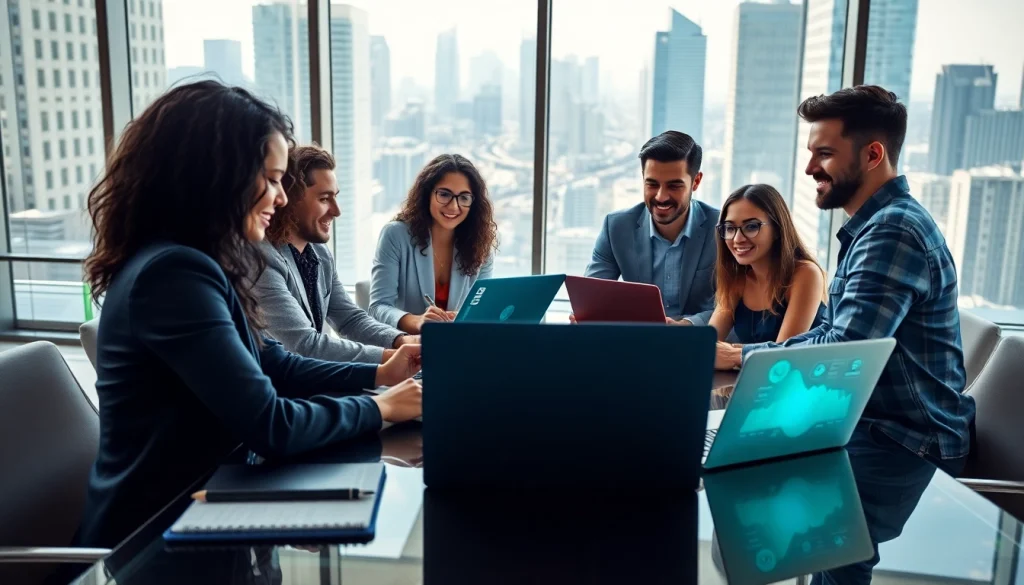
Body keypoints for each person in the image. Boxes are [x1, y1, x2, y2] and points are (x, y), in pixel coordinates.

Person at [76, 81, 423, 549]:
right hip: (154, 537)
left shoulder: (205, 262)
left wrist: (381, 371)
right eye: (275, 179)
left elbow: (276, 361)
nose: (281, 198)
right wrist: (379, 405)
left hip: (216, 499)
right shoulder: (173, 274)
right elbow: (270, 424)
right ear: (220, 175)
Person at [730, 86, 976, 584]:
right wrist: (742, 353)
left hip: (903, 439)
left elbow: (842, 356)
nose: (809, 169)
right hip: (870, 423)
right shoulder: (875, 227)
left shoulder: (893, 231)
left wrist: (740, 358)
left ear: (872, 155)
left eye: (823, 153)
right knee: (744, 481)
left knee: (774, 519)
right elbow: (833, 332)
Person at [256, 144, 417, 364]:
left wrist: (401, 341)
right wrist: (391, 358)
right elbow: (304, 344)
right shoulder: (263, 260)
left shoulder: (320, 254)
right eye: (324, 199)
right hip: (279, 389)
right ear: (289, 201)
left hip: (313, 380)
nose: (337, 210)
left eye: (335, 197)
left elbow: (349, 319)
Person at [583, 131, 718, 325]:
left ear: (695, 182)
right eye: (652, 184)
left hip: (700, 344)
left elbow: (733, 306)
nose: (661, 197)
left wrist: (688, 326)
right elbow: (593, 299)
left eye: (674, 186)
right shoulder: (616, 228)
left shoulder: (723, 229)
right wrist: (588, 314)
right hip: (637, 343)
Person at [369, 154, 497, 334]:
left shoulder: (480, 247)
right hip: (405, 348)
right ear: (427, 194)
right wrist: (418, 321)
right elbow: (378, 307)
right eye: (444, 194)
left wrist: (464, 320)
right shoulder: (396, 235)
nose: (453, 206)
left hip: (459, 345)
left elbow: (481, 312)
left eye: (464, 197)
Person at [704, 184, 826, 369]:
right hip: (756, 387)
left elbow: (783, 356)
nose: (737, 239)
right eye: (730, 228)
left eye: (751, 226)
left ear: (777, 229)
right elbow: (705, 344)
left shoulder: (805, 274)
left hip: (803, 386)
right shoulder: (738, 279)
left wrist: (732, 352)